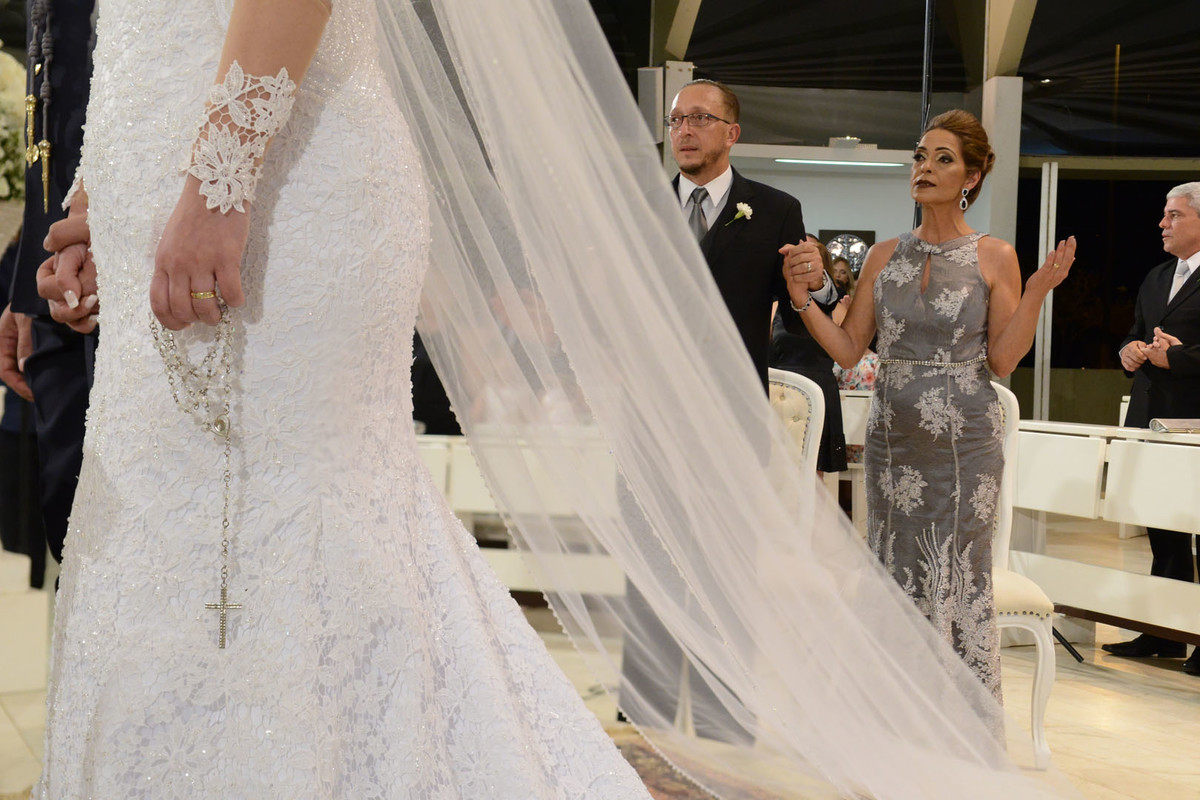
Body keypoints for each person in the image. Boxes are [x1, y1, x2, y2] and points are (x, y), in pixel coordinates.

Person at [37, 1, 1078, 797]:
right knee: (181, 523)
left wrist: (217, 182)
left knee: (293, 518)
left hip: (274, 180)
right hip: (179, 169)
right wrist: (105, 201)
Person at [782, 109, 1076, 708]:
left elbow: (1003, 360)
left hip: (965, 444)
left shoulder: (994, 256)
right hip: (893, 440)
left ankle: (960, 719)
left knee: (957, 571)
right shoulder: (884, 255)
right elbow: (847, 348)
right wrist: (805, 304)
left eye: (943, 159)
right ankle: (894, 713)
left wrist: (1039, 293)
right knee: (892, 568)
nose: (925, 168)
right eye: (920, 156)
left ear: (971, 176)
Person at [0, 0, 96, 587]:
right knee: (76, 531)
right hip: (55, 276)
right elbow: (50, 75)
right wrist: (23, 290)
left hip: (165, 247)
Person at [1105, 182, 1200, 675]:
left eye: (1174, 215)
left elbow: (1181, 353)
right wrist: (1129, 351)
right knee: (1161, 526)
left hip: (1196, 422)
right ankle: (1164, 631)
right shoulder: (1157, 275)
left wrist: (1176, 357)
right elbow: (1134, 332)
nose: (1162, 224)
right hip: (1150, 419)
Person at [769, 236, 847, 473]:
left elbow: (848, 351)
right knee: (775, 470)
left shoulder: (838, 309)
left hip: (818, 390)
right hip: (779, 389)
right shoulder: (775, 307)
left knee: (814, 473)